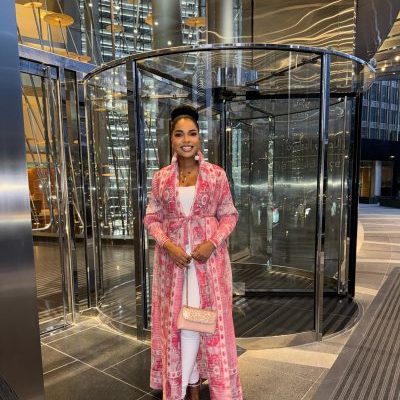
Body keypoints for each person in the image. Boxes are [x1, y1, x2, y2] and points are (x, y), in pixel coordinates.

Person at [144, 105, 243, 400]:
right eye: (179, 134)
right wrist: (168, 244)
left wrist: (212, 242)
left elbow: (230, 215)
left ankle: (194, 388)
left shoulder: (216, 175)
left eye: (192, 134)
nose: (186, 140)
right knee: (181, 326)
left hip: (207, 265)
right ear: (171, 139)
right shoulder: (161, 178)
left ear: (199, 137)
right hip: (173, 266)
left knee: (202, 323)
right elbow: (151, 218)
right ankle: (188, 388)